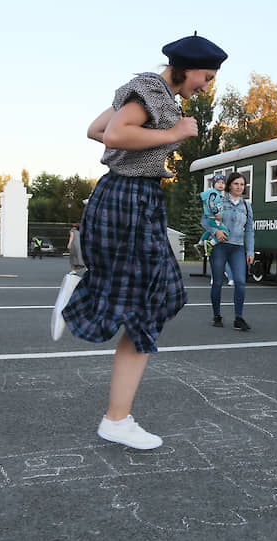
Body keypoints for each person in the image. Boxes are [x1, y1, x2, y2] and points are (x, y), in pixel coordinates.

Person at [63, 33, 227, 450]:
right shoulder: (155, 92)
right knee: (154, 301)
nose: (205, 87)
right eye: (204, 77)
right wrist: (174, 132)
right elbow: (115, 135)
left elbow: (95, 129)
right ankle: (116, 418)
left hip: (128, 196)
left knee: (158, 298)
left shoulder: (146, 90)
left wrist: (153, 136)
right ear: (185, 68)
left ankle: (91, 293)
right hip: (130, 198)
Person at [203, 171, 254, 331]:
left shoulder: (246, 205)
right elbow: (205, 219)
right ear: (229, 185)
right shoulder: (218, 201)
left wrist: (250, 251)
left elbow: (250, 230)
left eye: (242, 184)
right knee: (218, 282)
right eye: (236, 184)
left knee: (240, 281)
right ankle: (216, 315)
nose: (239, 187)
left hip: (237, 247)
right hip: (219, 246)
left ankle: (238, 318)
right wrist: (215, 231)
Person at [198, 173, 230, 253]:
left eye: (223, 183)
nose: (221, 184)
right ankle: (210, 244)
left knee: (209, 231)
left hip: (211, 218)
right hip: (213, 218)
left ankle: (200, 244)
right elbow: (211, 204)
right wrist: (217, 214)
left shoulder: (217, 194)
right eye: (218, 182)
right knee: (226, 232)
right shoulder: (214, 193)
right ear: (213, 184)